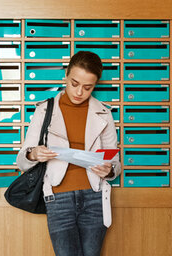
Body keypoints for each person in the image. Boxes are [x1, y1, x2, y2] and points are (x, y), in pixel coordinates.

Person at [16, 50, 120, 256]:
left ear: (95, 86)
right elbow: (22, 160)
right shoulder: (44, 110)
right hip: (58, 197)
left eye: (87, 87)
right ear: (66, 75)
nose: (79, 92)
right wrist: (34, 154)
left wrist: (108, 170)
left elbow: (115, 164)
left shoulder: (104, 113)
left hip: (95, 197)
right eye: (74, 83)